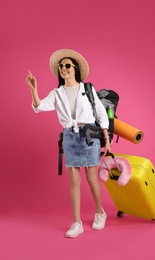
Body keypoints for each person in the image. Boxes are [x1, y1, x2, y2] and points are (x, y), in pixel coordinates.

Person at [26, 49, 111, 238]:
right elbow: (39, 107)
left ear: (75, 69)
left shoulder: (87, 89)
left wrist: (107, 141)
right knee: (74, 181)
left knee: (91, 178)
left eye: (67, 66)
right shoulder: (57, 93)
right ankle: (77, 223)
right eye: (61, 66)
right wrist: (34, 89)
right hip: (70, 137)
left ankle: (100, 212)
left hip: (89, 135)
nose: (63, 69)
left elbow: (101, 115)